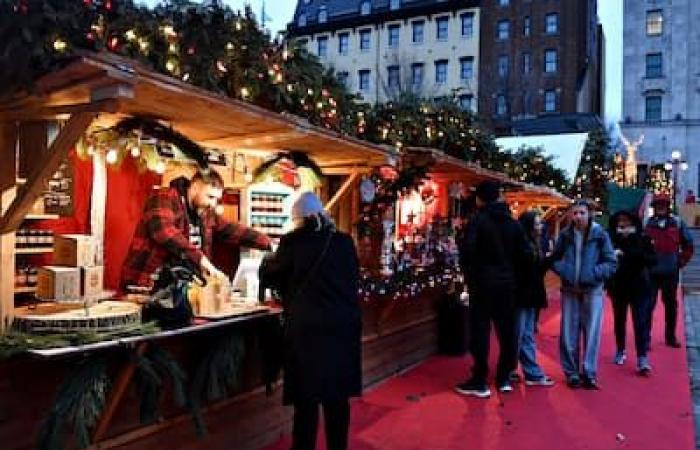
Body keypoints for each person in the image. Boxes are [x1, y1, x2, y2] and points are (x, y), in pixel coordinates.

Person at [259, 192, 361, 450]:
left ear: (299, 220)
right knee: (337, 399)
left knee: (306, 401)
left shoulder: (293, 242)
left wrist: (266, 263)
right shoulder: (344, 242)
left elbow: (273, 276)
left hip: (308, 331)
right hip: (343, 328)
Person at [121, 170, 271, 290]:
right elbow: (163, 231)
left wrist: (269, 244)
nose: (213, 204)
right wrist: (201, 260)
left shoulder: (205, 213)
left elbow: (230, 230)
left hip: (175, 288)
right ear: (195, 187)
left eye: (216, 199)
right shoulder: (164, 196)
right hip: (144, 284)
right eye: (210, 196)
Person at [455, 180, 529, 398]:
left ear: (479, 199)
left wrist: (470, 276)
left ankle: (480, 378)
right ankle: (504, 376)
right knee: (508, 332)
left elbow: (467, 251)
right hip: (508, 285)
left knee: (480, 330)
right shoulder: (514, 224)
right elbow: (526, 255)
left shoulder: (477, 222)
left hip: (482, 284)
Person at [551, 199, 617, 389]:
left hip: (593, 290)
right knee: (568, 333)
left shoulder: (600, 235)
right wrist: (565, 271)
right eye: (575, 213)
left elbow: (611, 261)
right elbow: (554, 258)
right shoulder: (565, 235)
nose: (578, 216)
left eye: (581, 213)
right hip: (570, 290)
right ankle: (571, 372)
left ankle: (589, 372)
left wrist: (594, 274)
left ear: (589, 214)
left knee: (592, 332)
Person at [607, 210, 657, 375]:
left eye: (626, 221)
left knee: (640, 321)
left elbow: (652, 260)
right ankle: (620, 350)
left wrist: (630, 249)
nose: (623, 224)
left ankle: (642, 357)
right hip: (618, 287)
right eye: (620, 221)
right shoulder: (611, 239)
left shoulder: (643, 238)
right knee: (619, 320)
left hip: (639, 286)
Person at [645, 194, 694, 348]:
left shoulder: (677, 223)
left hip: (671, 272)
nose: (660, 207)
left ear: (668, 207)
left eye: (663, 205)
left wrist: (680, 261)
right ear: (654, 207)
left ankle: (670, 336)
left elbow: (689, 244)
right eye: (658, 205)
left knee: (671, 306)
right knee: (648, 306)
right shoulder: (647, 224)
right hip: (651, 273)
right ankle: (645, 337)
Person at [512, 210, 554, 387]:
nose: (541, 226)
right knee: (520, 334)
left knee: (525, 334)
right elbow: (531, 270)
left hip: (528, 295)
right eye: (537, 223)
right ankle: (516, 370)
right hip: (523, 295)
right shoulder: (523, 246)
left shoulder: (533, 244)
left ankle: (528, 371)